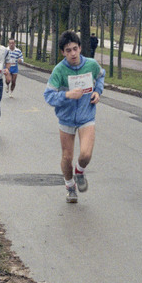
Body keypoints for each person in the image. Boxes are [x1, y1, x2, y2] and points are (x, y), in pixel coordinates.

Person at [43, 30, 106, 204]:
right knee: (67, 157)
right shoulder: (59, 71)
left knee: (85, 154)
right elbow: (48, 96)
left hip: (86, 115)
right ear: (63, 52)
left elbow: (101, 75)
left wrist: (97, 92)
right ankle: (70, 186)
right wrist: (67, 95)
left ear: (80, 48)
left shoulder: (91, 64)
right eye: (68, 50)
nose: (72, 53)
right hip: (66, 118)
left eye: (75, 49)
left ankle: (79, 171)